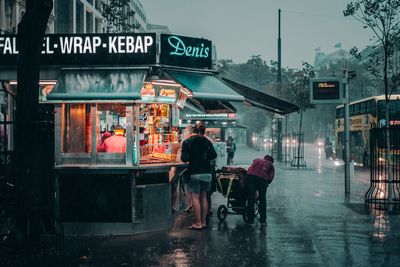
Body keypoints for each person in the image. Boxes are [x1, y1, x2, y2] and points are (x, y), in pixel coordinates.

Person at [181, 123, 217, 230]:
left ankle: (198, 223)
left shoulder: (186, 142)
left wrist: (191, 156)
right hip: (207, 172)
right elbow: (213, 155)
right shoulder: (206, 141)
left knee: (195, 197)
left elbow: (184, 159)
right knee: (204, 196)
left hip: (194, 172)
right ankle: (204, 222)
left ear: (190, 132)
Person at [246, 155, 275, 226]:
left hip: (251, 176)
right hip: (262, 179)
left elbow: (251, 168)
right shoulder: (271, 165)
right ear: (271, 161)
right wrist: (267, 183)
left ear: (264, 158)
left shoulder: (257, 160)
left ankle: (250, 220)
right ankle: (263, 221)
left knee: (251, 199)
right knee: (262, 199)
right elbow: (271, 177)